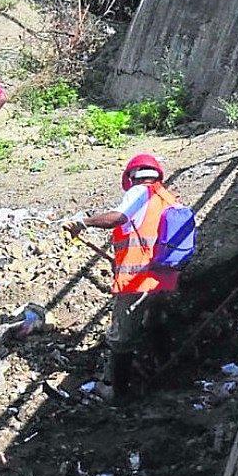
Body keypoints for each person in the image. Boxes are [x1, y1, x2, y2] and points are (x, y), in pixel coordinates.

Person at [63, 153, 183, 398]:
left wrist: (83, 222)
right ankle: (167, 376)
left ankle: (117, 392)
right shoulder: (168, 198)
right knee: (155, 322)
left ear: (132, 176)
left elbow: (118, 218)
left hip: (137, 280)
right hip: (164, 278)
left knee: (122, 337)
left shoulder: (140, 193)